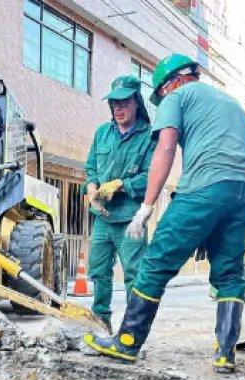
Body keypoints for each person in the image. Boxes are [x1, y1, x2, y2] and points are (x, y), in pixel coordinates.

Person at [83, 54, 245, 374]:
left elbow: (165, 149)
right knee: (229, 272)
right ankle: (225, 353)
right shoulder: (233, 104)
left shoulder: (177, 95)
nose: (162, 99)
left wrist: (146, 208)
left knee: (155, 262)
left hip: (204, 187)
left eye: (160, 93)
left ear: (171, 82)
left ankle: (127, 342)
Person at [82, 76, 157, 331]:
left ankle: (132, 330)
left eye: (124, 102)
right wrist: (92, 188)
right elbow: (91, 168)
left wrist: (121, 184)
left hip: (130, 219)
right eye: (114, 103)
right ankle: (101, 323)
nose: (118, 108)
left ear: (136, 102)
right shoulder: (103, 133)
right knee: (99, 271)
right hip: (102, 217)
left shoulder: (149, 136)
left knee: (134, 275)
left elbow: (152, 176)